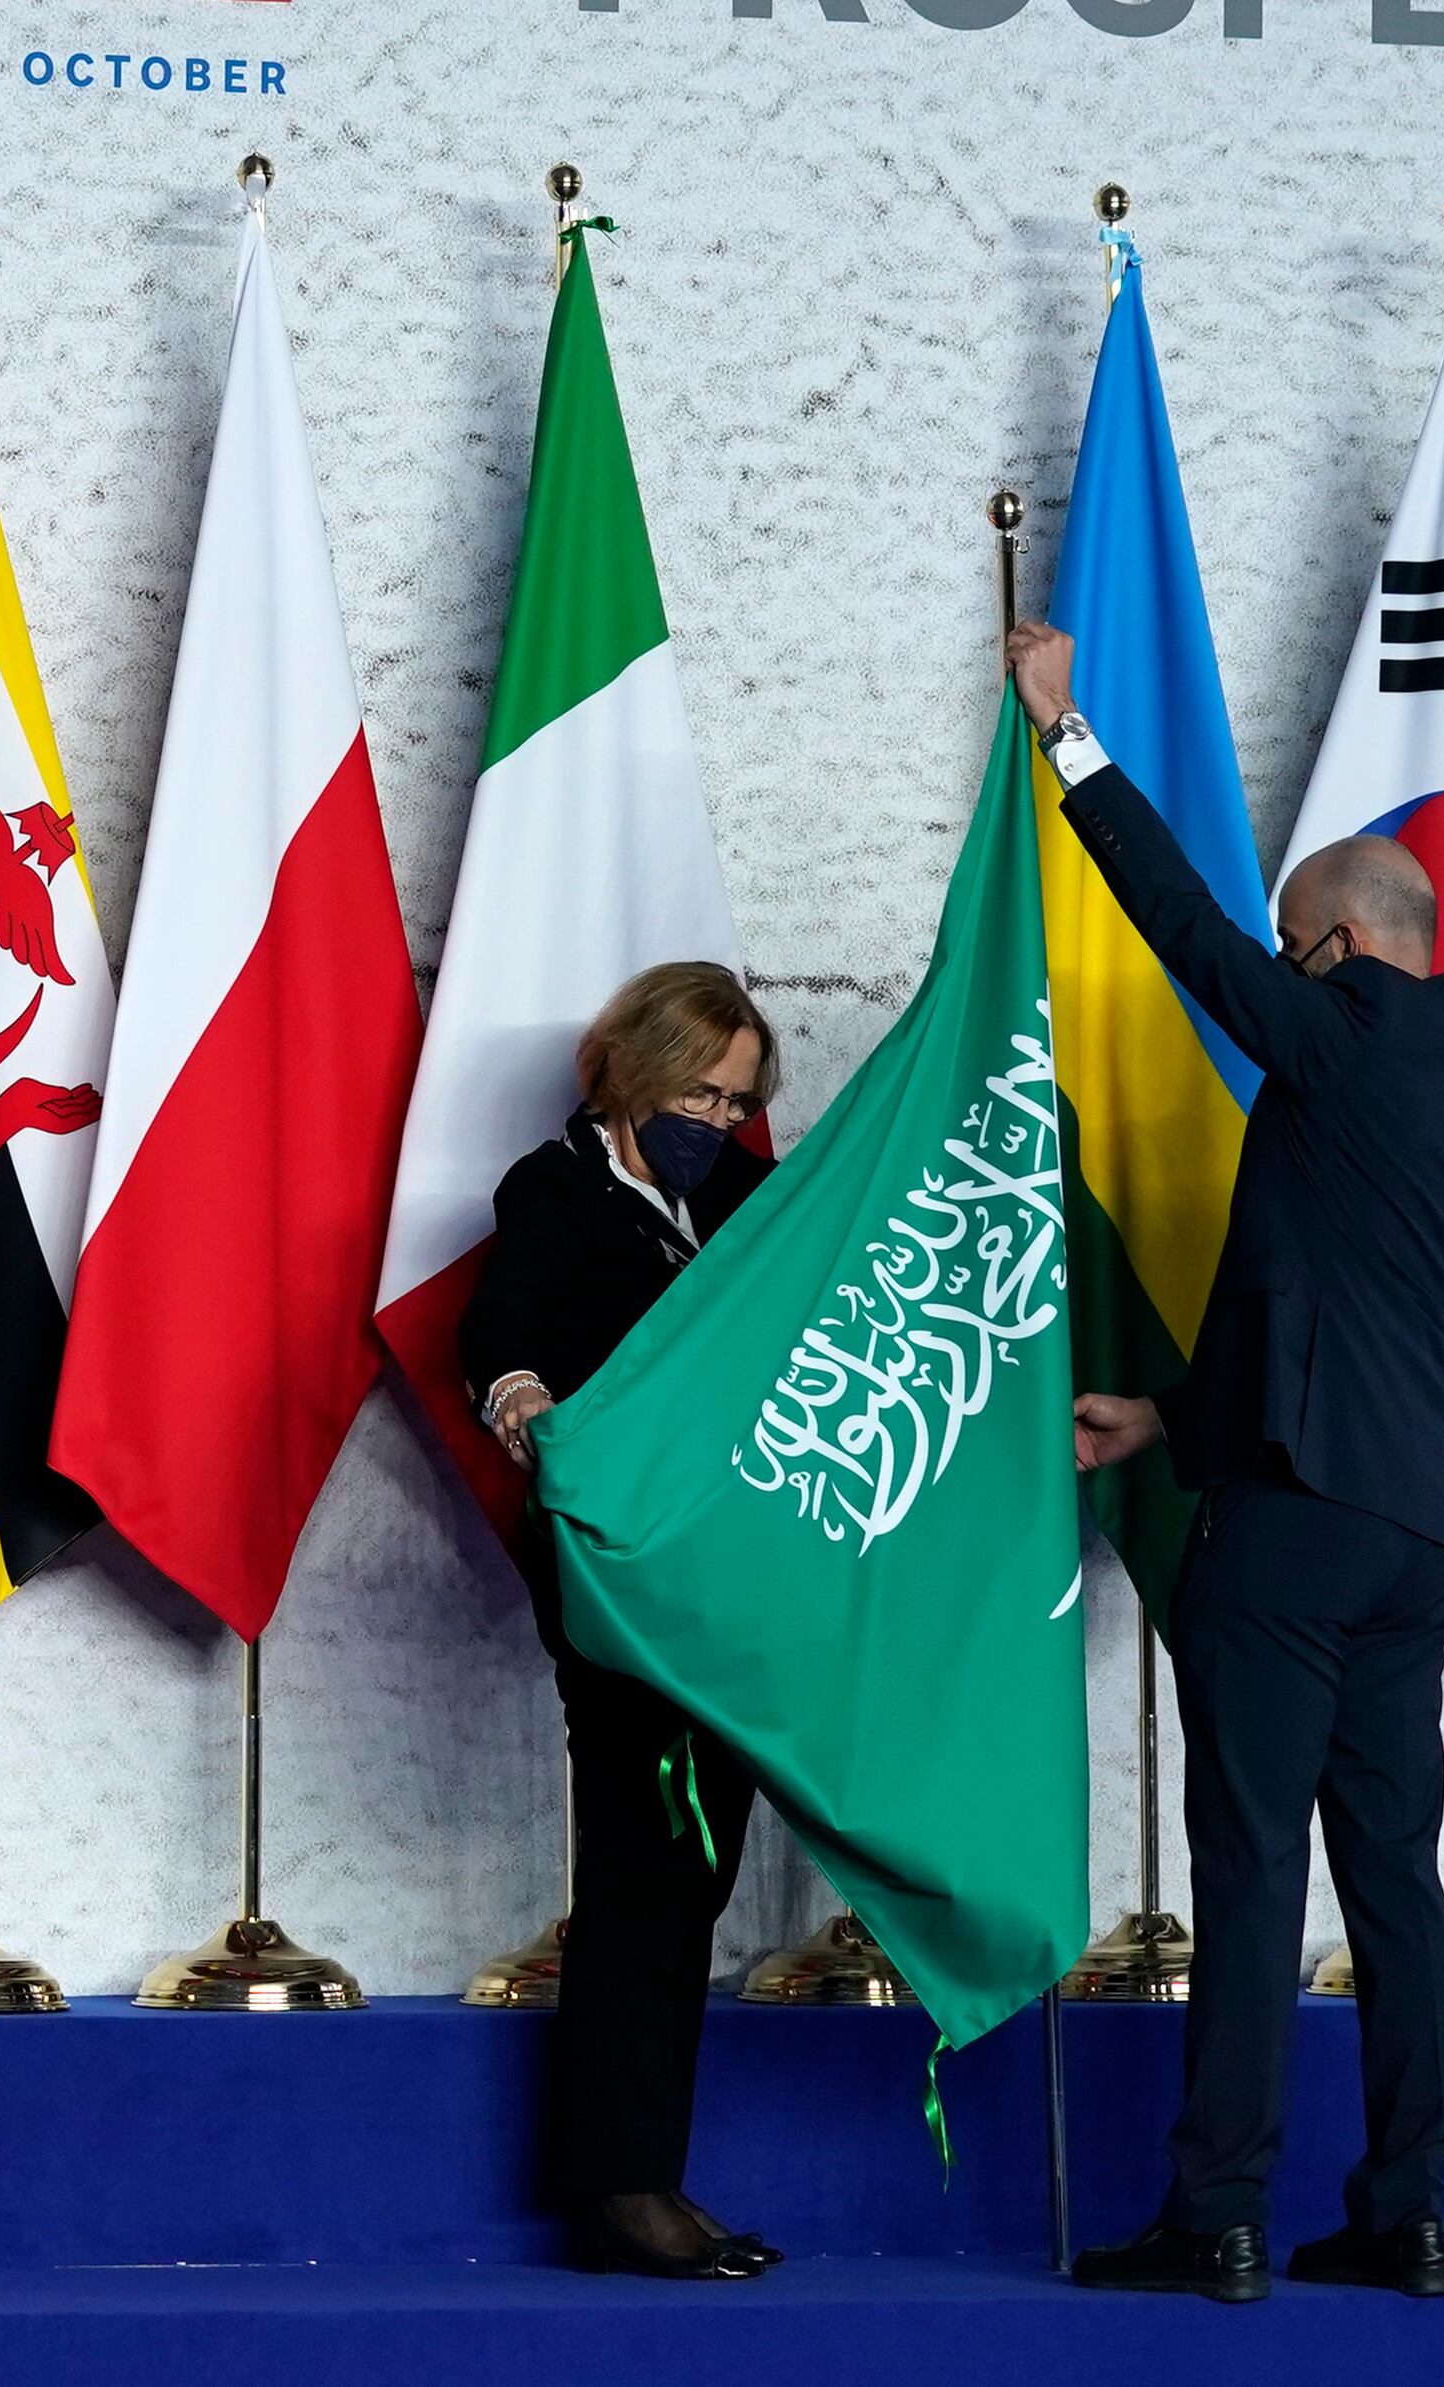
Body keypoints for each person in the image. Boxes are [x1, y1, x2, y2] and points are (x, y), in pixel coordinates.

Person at [1005, 618, 1444, 2308]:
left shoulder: (1340, 1026)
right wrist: (1168, 1420)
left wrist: (1068, 736)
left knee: (1248, 1867)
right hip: (1409, 1529)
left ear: (1346, 946)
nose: (1281, 977)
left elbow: (1188, 938)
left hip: (1292, 1540)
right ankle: (1409, 2213)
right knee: (1397, 1886)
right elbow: (1313, 1307)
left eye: (1304, 955)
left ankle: (1217, 2213)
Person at [456, 960, 785, 2284]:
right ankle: (619, 2189)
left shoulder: (741, 1201)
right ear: (633, 1074)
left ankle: (655, 2174)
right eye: (699, 1089)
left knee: (693, 1879)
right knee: (644, 1874)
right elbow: (497, 1330)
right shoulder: (562, 1191)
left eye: (739, 1097)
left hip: (726, 1590)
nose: (717, 1115)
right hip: (620, 1591)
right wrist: (524, 1400)